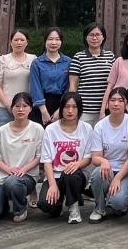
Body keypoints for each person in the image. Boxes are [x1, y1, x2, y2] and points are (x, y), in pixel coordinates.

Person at [0, 92, 44, 222]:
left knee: (13, 182)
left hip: (26, 176)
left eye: (25, 106)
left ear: (30, 108)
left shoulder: (37, 129)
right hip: (3, 175)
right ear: (12, 108)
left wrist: (24, 169)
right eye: (17, 106)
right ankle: (3, 203)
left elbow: (39, 156)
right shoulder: (2, 131)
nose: (21, 109)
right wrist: (9, 169)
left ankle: (20, 208)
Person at [39, 92, 94, 224]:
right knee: (47, 205)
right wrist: (52, 185)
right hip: (55, 175)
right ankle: (60, 203)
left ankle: (74, 208)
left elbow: (88, 158)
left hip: (77, 174)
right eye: (66, 107)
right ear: (61, 108)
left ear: (79, 109)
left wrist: (77, 164)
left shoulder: (86, 128)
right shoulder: (51, 129)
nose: (70, 111)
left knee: (70, 175)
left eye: (74, 107)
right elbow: (47, 161)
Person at [89, 86, 128, 221]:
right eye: (112, 100)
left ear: (126, 103)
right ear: (107, 103)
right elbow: (95, 157)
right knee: (96, 174)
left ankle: (118, 203)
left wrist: (118, 178)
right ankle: (99, 209)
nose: (116, 104)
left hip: (126, 172)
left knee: (118, 202)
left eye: (120, 100)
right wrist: (104, 161)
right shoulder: (100, 126)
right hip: (107, 170)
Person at [68, 23, 115, 127]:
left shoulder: (110, 56)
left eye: (98, 35)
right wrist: (73, 105)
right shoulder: (78, 57)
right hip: (84, 110)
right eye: (91, 35)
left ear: (103, 37)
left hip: (105, 109)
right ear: (86, 37)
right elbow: (73, 86)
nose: (94, 38)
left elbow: (113, 83)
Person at [0, 28, 33, 131]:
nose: (19, 42)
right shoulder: (3, 60)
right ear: (11, 42)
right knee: (1, 137)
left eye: (22, 40)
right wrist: (8, 106)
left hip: (26, 109)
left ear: (27, 42)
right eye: (16, 40)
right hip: (5, 108)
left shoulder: (33, 59)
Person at [30, 27, 72, 126]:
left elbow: (69, 87)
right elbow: (35, 87)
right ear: (45, 41)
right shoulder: (37, 63)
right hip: (41, 105)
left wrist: (61, 109)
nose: (53, 43)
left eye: (57, 39)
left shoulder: (69, 62)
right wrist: (43, 111)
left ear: (61, 42)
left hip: (62, 103)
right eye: (50, 39)